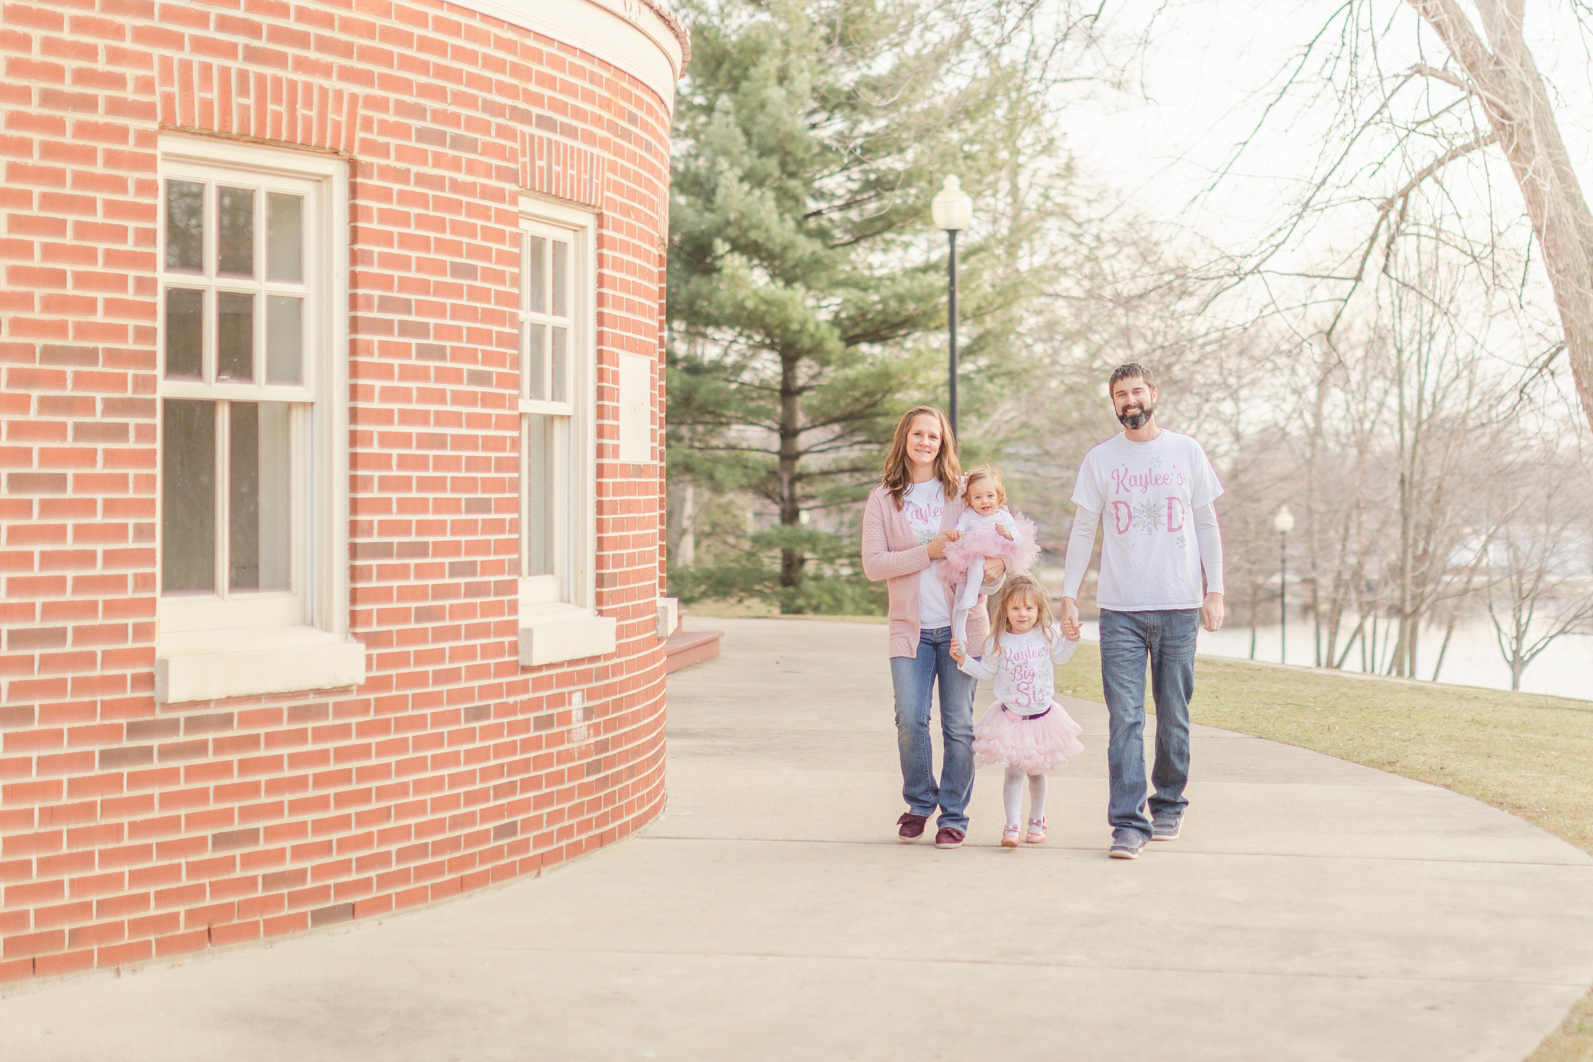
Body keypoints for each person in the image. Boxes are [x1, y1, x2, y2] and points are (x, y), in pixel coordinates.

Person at [1059, 363, 1226, 861]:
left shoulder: (1186, 451)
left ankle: (1169, 802)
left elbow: (1206, 523)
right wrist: (1069, 594)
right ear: (1113, 403)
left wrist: (1214, 589)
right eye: (1119, 395)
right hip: (1121, 611)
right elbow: (1083, 530)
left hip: (1179, 605)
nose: (1129, 400)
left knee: (1174, 714)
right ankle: (1128, 824)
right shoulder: (1100, 460)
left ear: (1153, 393)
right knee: (1125, 719)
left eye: (1136, 391)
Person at [862, 406, 1006, 850]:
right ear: (904, 438)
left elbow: (1000, 548)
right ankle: (920, 803)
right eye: (918, 434)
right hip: (911, 630)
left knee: (959, 725)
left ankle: (954, 816)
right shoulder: (884, 498)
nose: (926, 442)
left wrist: (995, 571)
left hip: (963, 630)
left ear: (943, 443)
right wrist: (930, 550)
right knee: (910, 719)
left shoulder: (963, 492)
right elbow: (873, 565)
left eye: (934, 436)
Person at [950, 574, 1085, 848]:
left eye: (1029, 608)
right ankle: (1012, 824)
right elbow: (986, 671)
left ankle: (1037, 819)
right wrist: (964, 660)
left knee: (1037, 772)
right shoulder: (996, 641)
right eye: (1015, 608)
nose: (1022, 614)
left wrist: (1071, 639)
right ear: (1005, 610)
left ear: (1038, 610)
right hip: (1010, 719)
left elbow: (1060, 656)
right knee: (1013, 775)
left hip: (1042, 719)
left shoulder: (1046, 634)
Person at [939, 465, 1040, 649]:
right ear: (969, 500)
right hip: (968, 563)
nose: (984, 501)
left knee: (978, 564)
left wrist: (1007, 533)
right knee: (960, 600)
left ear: (999, 496)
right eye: (978, 497)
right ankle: (960, 637)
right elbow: (960, 532)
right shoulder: (968, 515)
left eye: (990, 496)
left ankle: (971, 594)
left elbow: (1018, 540)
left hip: (992, 562)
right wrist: (956, 534)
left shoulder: (1003, 516)